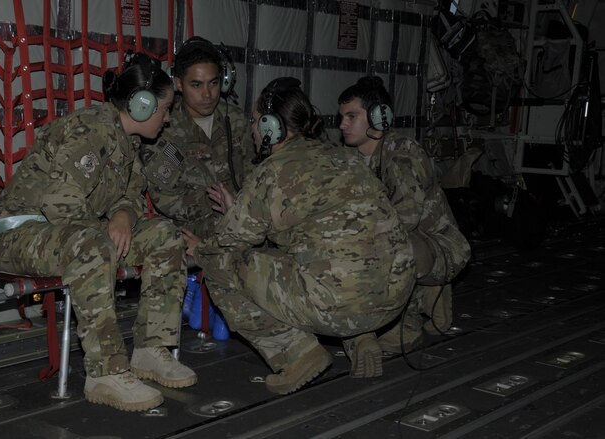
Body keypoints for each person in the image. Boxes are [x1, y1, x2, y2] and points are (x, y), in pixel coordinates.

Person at [0, 54, 196, 412]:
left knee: (164, 236)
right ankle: (105, 372)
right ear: (141, 106)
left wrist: (124, 214)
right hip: (18, 234)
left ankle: (149, 350)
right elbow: (60, 206)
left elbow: (131, 191)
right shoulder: (92, 130)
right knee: (94, 244)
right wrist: (107, 227)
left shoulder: (127, 141)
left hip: (65, 233)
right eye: (166, 109)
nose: (169, 118)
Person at [182, 77, 415, 392]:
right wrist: (239, 207)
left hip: (340, 303)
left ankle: (296, 354)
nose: (253, 130)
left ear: (270, 127)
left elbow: (228, 244)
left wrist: (198, 251)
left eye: (255, 122)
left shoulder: (272, 170)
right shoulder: (344, 157)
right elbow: (314, 228)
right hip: (395, 295)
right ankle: (360, 338)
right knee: (322, 256)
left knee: (219, 265)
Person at [337, 76, 471, 358]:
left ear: (379, 117)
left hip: (442, 248)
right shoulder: (349, 158)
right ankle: (428, 295)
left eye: (351, 116)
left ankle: (406, 325)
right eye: (342, 117)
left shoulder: (402, 154)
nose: (342, 125)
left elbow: (404, 220)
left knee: (389, 247)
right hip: (406, 244)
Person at [141, 36, 255, 239]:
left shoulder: (235, 120)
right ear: (178, 84)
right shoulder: (165, 128)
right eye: (196, 85)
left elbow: (252, 175)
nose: (207, 94)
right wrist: (215, 203)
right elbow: (165, 197)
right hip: (194, 229)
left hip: (240, 220)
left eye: (213, 83)